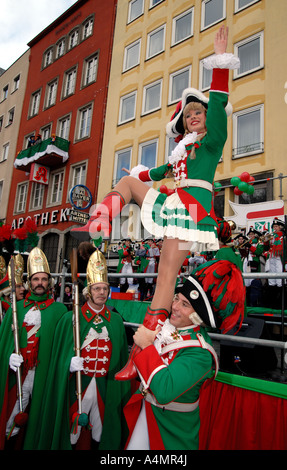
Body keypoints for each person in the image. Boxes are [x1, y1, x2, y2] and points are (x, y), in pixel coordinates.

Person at [71, 26, 240, 381]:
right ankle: (100, 221)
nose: (195, 117)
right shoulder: (182, 152)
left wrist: (220, 63)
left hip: (192, 210)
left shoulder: (211, 144)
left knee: (165, 281)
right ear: (183, 123)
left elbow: (221, 104)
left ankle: (140, 353)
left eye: (200, 113)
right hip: (176, 203)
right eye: (189, 114)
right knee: (131, 184)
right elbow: (155, 173)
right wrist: (138, 176)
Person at [123, 259, 245, 450]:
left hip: (172, 430)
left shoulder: (201, 353)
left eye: (185, 304)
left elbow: (164, 391)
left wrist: (147, 346)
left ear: (198, 317)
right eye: (177, 298)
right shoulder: (169, 327)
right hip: (146, 413)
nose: (175, 306)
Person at [35, 249, 131, 450]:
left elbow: (121, 359)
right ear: (88, 292)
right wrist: (67, 364)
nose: (102, 293)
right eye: (97, 289)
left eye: (105, 289)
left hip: (105, 388)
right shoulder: (71, 318)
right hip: (78, 386)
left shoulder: (115, 321)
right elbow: (58, 355)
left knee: (100, 433)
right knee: (72, 434)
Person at [0, 247, 68, 450]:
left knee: (38, 414)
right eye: (36, 279)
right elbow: (3, 343)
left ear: (50, 282)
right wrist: (7, 357)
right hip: (17, 375)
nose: (40, 283)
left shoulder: (59, 311)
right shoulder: (16, 308)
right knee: (12, 419)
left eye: (44, 279)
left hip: (44, 374)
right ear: (29, 282)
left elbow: (63, 347)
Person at [264, 218, 286, 308]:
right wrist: (265, 241)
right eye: (274, 226)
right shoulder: (272, 237)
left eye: (276, 226)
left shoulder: (282, 237)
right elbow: (266, 248)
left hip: (279, 260)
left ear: (280, 227)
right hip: (272, 259)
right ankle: (272, 303)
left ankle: (280, 303)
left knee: (280, 280)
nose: (275, 228)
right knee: (271, 280)